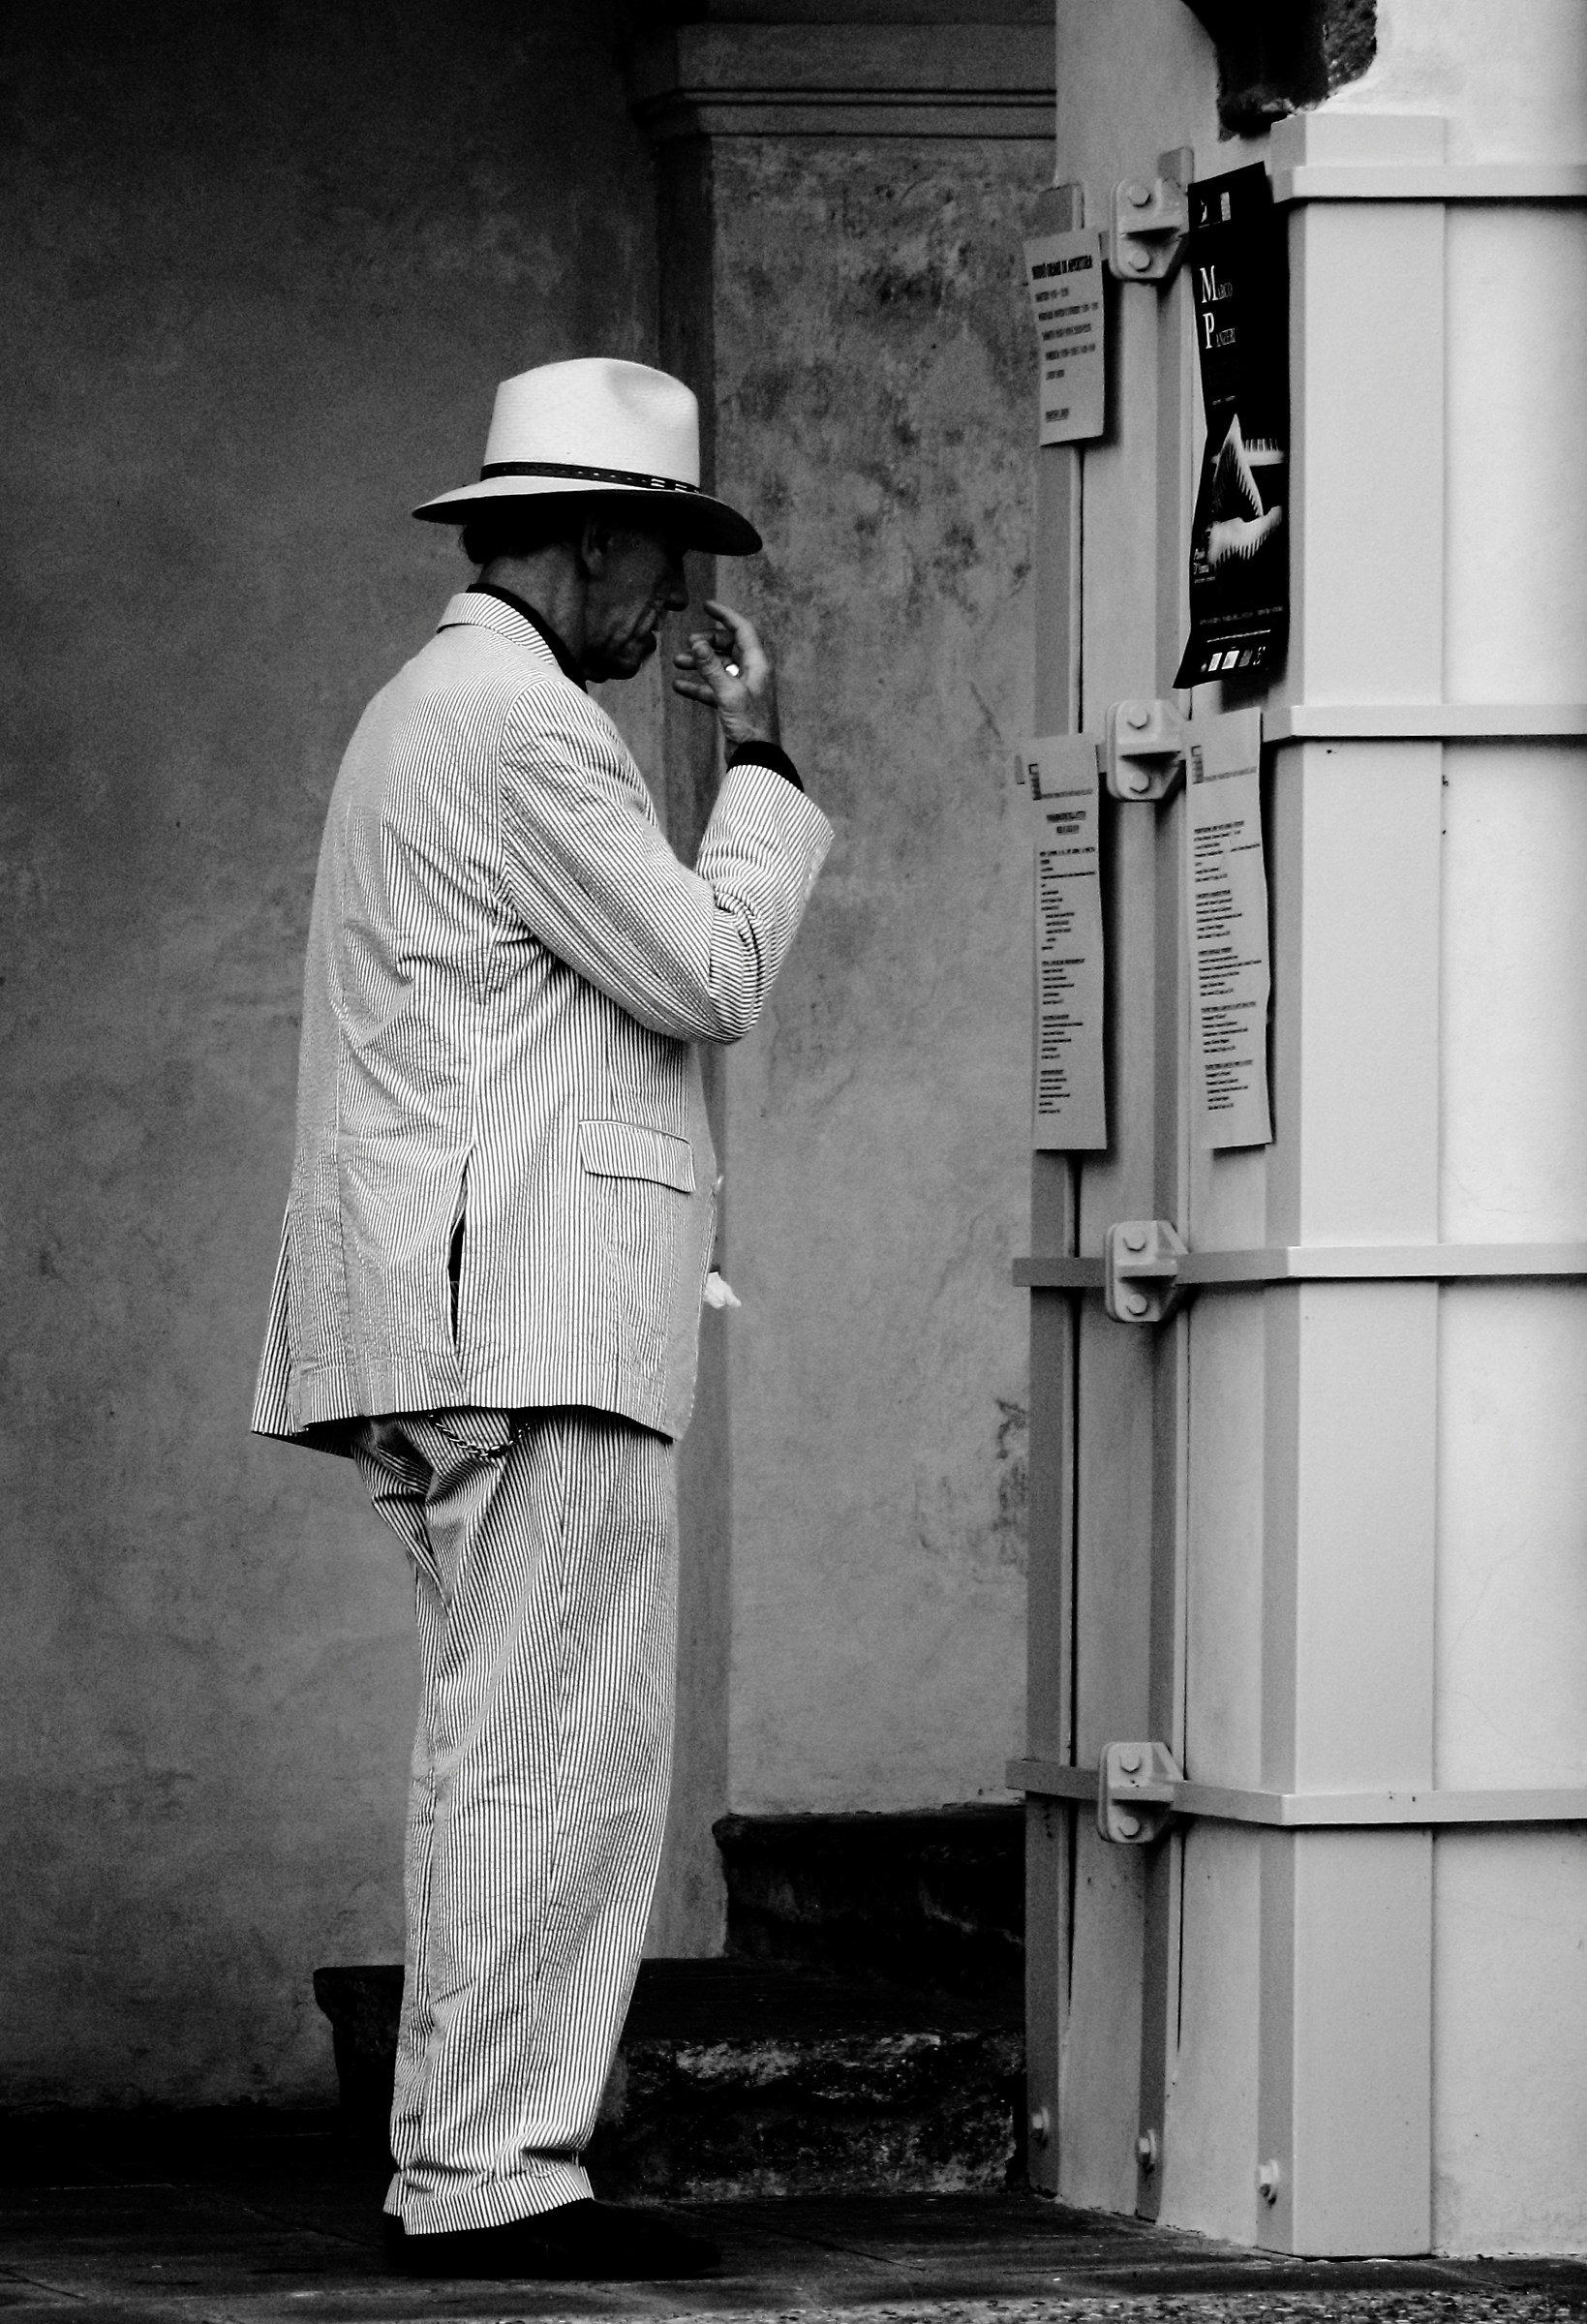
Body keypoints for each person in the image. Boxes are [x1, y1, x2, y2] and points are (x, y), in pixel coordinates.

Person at [251, 358, 832, 2280]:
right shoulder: (517, 729)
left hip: (484, 1312)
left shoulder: (448, 709)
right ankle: (488, 2172)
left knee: (531, 1742)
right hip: (524, 1319)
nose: (668, 607)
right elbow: (709, 970)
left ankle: (493, 2158)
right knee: (543, 1752)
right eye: (657, 561)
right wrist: (766, 770)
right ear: (585, 544)